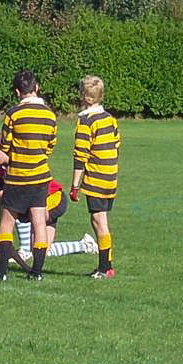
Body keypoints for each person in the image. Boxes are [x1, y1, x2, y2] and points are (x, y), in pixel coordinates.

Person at [0, 69, 57, 281]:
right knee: (39, 223)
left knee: (6, 222)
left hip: (17, 177)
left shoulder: (13, 114)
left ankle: (1, 273)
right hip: (40, 176)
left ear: (17, 92)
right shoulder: (50, 114)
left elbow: (6, 145)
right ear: (36, 88)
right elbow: (50, 146)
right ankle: (37, 272)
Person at [70, 75, 121, 278]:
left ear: (84, 96)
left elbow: (80, 155)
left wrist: (75, 186)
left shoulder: (86, 121)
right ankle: (106, 264)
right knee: (100, 220)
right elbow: (116, 144)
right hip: (111, 177)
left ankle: (104, 267)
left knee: (99, 221)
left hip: (96, 178)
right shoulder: (110, 118)